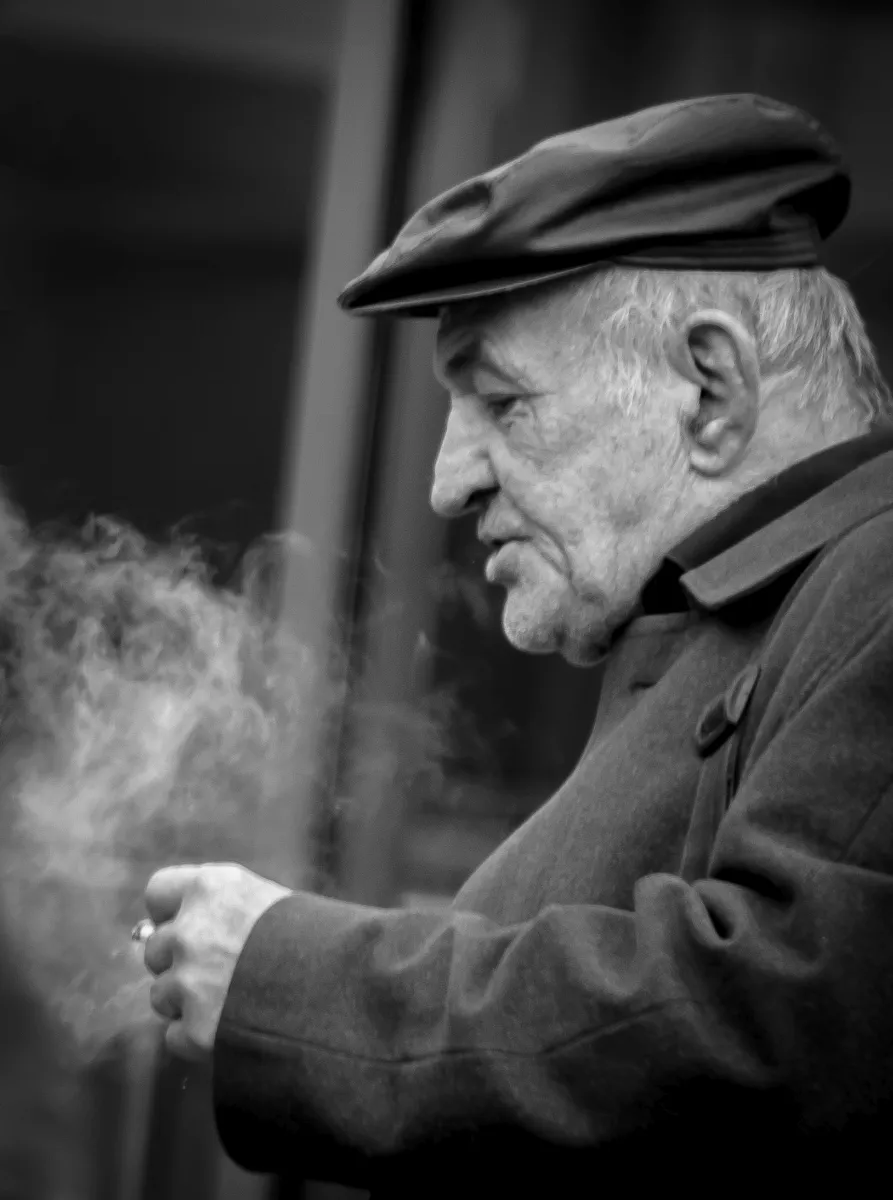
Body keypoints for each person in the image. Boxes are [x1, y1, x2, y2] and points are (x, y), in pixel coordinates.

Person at [142, 94, 893, 1191]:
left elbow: (779, 1024)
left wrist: (291, 982)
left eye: (501, 403)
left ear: (710, 388)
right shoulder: (763, 614)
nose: (448, 483)